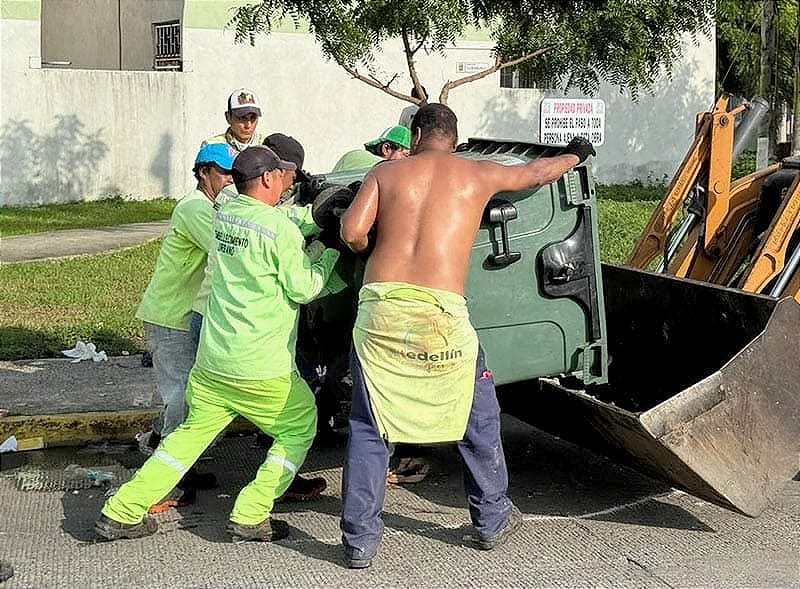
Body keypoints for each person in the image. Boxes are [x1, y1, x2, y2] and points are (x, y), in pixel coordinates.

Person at [338, 103, 595, 568]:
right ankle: (491, 519)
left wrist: (371, 246)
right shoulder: (477, 173)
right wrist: (575, 154)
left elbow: (352, 230)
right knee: (476, 413)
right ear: (454, 140)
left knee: (370, 425)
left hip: (382, 311)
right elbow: (537, 173)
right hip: (441, 317)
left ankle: (359, 541)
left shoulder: (385, 173)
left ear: (415, 137)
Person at [95, 146, 341, 543]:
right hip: (260, 366)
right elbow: (304, 286)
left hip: (214, 363)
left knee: (187, 439)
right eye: (281, 174)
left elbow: (278, 218)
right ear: (265, 179)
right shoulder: (274, 229)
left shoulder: (227, 213)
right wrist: (326, 253)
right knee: (299, 425)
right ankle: (251, 513)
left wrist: (310, 219)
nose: (287, 180)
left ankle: (122, 510)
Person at [135, 143, 237, 503]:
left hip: (182, 316)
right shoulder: (195, 209)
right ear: (203, 173)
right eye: (223, 172)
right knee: (180, 395)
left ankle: (164, 451)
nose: (229, 179)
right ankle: (165, 476)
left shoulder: (209, 206)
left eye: (232, 173)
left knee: (185, 394)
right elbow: (227, 246)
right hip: (171, 317)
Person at [202, 88, 265, 153]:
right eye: (242, 118)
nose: (248, 125)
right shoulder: (211, 147)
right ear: (228, 117)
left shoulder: (267, 146)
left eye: (253, 118)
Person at [331, 125, 411, 173]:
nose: (409, 162)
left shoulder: (352, 156)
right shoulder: (384, 169)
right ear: (387, 149)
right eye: (406, 155)